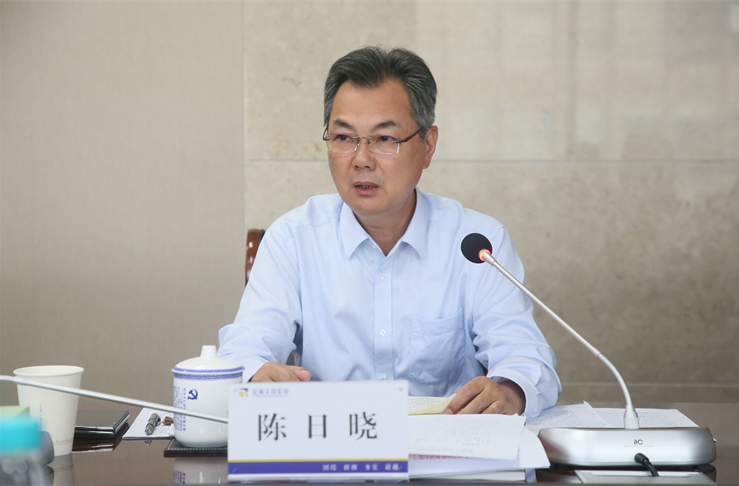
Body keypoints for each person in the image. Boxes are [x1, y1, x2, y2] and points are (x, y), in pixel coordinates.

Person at [218, 46, 560, 418]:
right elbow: (243, 351)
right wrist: (254, 374)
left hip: (447, 446)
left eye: (384, 139)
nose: (361, 160)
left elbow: (525, 359)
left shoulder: (476, 244)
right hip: (333, 447)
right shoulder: (293, 240)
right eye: (344, 138)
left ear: (427, 146)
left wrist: (510, 391)